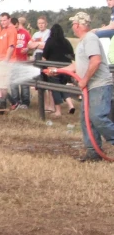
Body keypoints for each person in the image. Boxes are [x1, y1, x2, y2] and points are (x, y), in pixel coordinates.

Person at [53, 12, 114, 162]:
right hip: (90, 87)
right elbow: (77, 65)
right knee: (86, 119)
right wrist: (57, 70)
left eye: (74, 24)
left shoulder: (90, 39)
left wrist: (84, 80)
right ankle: (93, 153)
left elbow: (96, 61)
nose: (73, 26)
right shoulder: (82, 42)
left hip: (99, 85)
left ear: (78, 25)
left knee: (97, 117)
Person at [41, 24, 76, 118]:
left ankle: (58, 111)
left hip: (53, 69)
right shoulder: (66, 41)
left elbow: (44, 57)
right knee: (62, 87)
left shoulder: (50, 41)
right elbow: (72, 56)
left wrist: (45, 67)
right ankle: (70, 105)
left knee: (56, 89)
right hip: (66, 69)